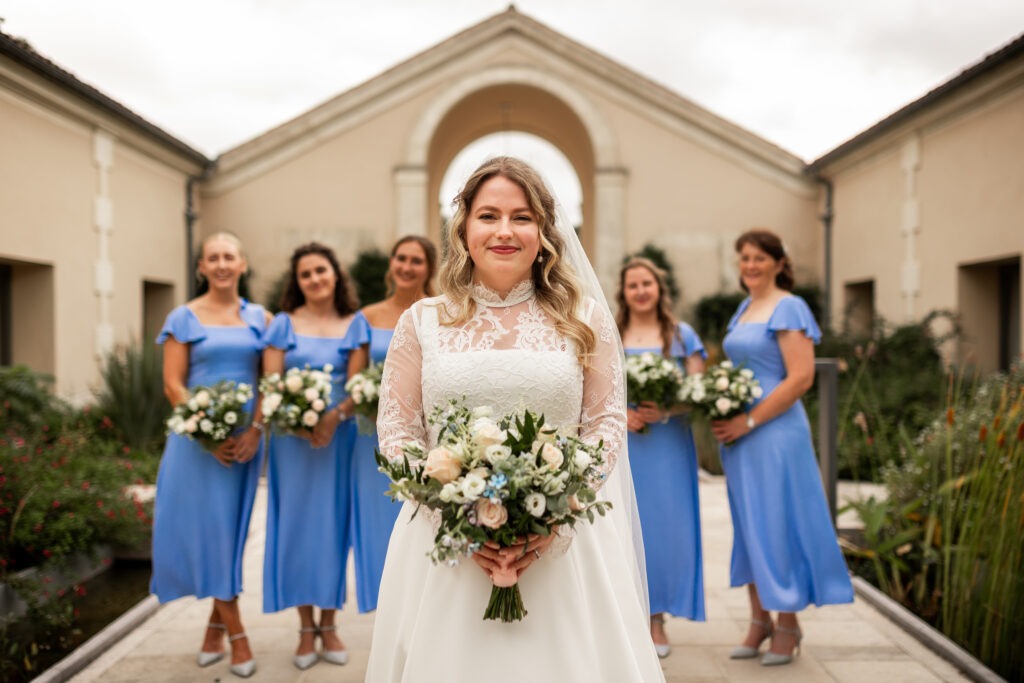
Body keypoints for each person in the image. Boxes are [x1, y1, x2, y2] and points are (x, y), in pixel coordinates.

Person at [365, 157, 665, 682]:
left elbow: (604, 424)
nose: (504, 231)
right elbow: (398, 431)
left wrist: (554, 516)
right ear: (464, 227)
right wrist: (453, 515)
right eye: (489, 215)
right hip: (445, 546)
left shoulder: (586, 319)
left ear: (544, 231)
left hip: (563, 545)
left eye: (522, 217)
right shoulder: (422, 321)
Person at [711, 229, 853, 666]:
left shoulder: (789, 306)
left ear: (778, 263)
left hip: (774, 434)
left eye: (759, 258)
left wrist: (749, 419)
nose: (750, 265)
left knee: (778, 522)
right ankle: (759, 621)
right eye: (744, 258)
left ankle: (788, 623)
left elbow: (801, 378)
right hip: (738, 437)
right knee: (749, 525)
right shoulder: (744, 308)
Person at [151, 232, 270, 679]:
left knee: (230, 537)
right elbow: (173, 385)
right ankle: (237, 636)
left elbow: (269, 381)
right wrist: (206, 432)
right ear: (201, 267)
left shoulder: (261, 318)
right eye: (212, 258)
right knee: (211, 536)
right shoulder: (182, 317)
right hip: (197, 447)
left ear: (242, 264)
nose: (221, 264)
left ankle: (213, 630)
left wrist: (255, 430)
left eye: (228, 257)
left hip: (245, 445)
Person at [260, 243, 360, 670]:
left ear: (335, 273)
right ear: (297, 282)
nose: (315, 279)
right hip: (292, 442)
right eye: (306, 274)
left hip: (338, 439)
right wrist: (297, 421)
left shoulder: (354, 324)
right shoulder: (282, 324)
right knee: (297, 528)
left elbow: (357, 386)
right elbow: (270, 384)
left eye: (321, 270)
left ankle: (330, 623)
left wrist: (334, 417)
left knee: (334, 528)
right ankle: (305, 628)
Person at [616, 256, 707, 658]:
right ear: (623, 292)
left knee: (663, 530)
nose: (640, 291)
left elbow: (700, 391)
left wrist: (667, 410)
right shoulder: (612, 332)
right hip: (624, 444)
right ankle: (625, 619)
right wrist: (623, 413)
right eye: (632, 285)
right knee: (622, 525)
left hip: (668, 446)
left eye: (646, 284)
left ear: (659, 288)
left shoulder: (682, 335)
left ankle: (656, 620)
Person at [347, 234, 436, 613]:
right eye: (401, 258)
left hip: (424, 438)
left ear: (429, 268)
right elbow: (353, 380)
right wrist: (371, 402)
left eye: (416, 260)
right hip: (369, 440)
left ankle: (419, 609)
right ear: (391, 264)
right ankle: (381, 609)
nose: (406, 266)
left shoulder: (438, 313)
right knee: (376, 526)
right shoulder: (366, 317)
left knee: (420, 518)